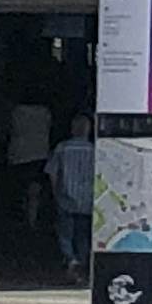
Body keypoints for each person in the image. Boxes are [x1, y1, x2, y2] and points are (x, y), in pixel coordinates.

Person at [47, 115, 100, 276]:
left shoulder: (62, 148)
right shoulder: (94, 150)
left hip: (65, 196)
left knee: (65, 234)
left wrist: (55, 191)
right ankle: (81, 263)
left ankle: (70, 259)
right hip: (88, 199)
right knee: (83, 235)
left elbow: (52, 172)